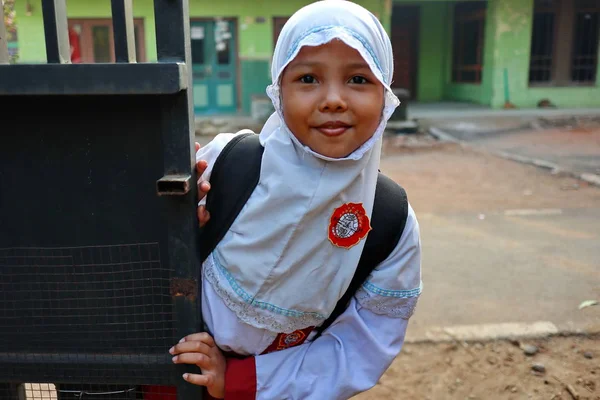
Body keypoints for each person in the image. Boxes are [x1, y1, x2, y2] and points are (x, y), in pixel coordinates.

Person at [169, 1, 422, 399]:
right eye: (308, 78)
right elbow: (133, 250)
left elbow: (363, 346)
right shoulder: (224, 163)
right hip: (170, 378)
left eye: (359, 79)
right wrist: (179, 229)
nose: (334, 99)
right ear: (278, 91)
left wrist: (237, 380)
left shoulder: (390, 221)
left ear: (386, 95)